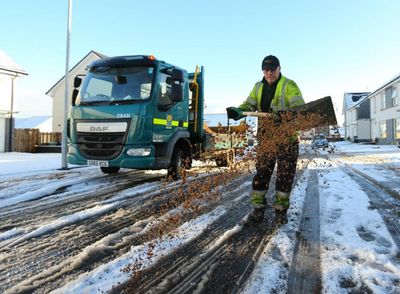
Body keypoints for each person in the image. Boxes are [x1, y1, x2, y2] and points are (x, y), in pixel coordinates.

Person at [226, 55, 305, 224]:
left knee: (285, 175)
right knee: (262, 173)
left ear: (279, 69)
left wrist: (290, 114)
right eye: (266, 69)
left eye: (272, 69)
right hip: (266, 138)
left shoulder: (289, 85)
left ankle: (281, 211)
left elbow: (299, 107)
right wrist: (239, 111)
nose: (269, 73)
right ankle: (258, 209)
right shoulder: (258, 87)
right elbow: (249, 105)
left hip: (287, 138)